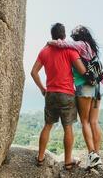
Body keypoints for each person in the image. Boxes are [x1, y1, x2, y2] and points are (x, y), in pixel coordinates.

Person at [48, 25, 103, 168]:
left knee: (85, 122)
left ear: (77, 37)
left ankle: (92, 154)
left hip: (84, 87)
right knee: (94, 122)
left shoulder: (80, 45)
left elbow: (62, 43)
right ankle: (96, 155)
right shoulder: (91, 47)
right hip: (96, 87)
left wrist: (49, 42)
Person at [31, 23, 87, 170]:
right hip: (67, 94)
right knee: (68, 127)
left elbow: (33, 72)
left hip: (51, 93)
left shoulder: (44, 51)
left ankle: (40, 157)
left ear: (52, 35)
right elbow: (82, 71)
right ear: (64, 36)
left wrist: (43, 89)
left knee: (48, 125)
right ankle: (68, 162)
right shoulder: (69, 50)